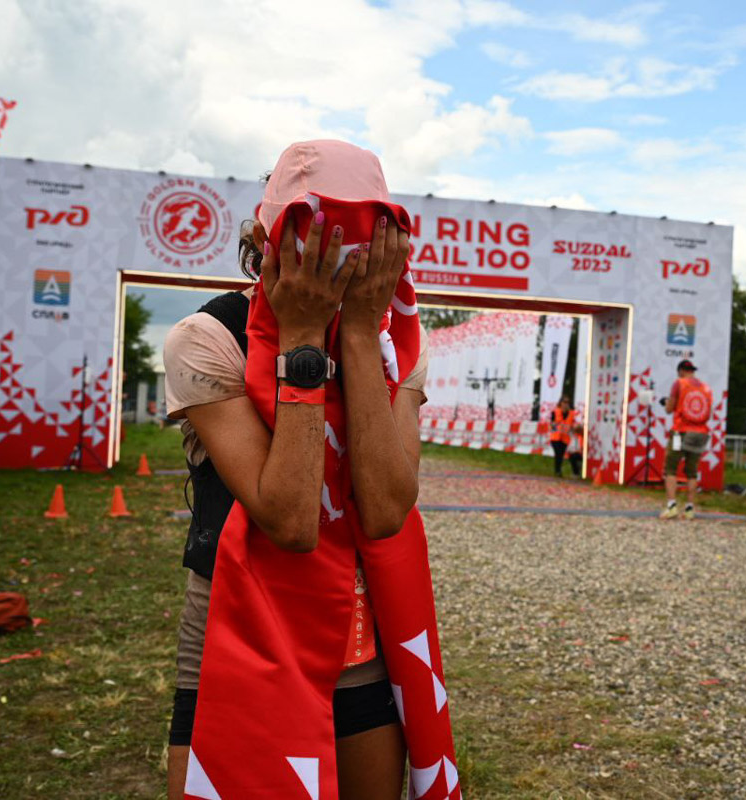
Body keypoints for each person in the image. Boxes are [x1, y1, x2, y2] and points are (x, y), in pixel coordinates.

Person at [163, 141, 457, 800]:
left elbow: (383, 513)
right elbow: (292, 521)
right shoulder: (207, 339)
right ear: (267, 243)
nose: (334, 261)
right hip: (239, 622)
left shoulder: (392, 344)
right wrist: (300, 342)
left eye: (355, 248)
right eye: (310, 239)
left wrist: (355, 334)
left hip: (355, 626)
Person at [659, 359, 711, 519]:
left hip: (680, 432)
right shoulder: (705, 388)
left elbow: (670, 409)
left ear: (681, 370)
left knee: (671, 468)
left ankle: (671, 506)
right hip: (701, 432)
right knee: (692, 471)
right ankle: (690, 509)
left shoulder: (679, 383)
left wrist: (666, 403)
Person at [549, 396, 581, 477]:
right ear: (560, 403)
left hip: (565, 439)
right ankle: (558, 471)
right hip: (555, 437)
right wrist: (554, 425)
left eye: (567, 402)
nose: (565, 404)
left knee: (561, 454)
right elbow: (551, 423)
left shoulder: (572, 413)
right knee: (558, 453)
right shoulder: (555, 412)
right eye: (564, 402)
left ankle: (558, 470)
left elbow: (574, 423)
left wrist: (575, 427)